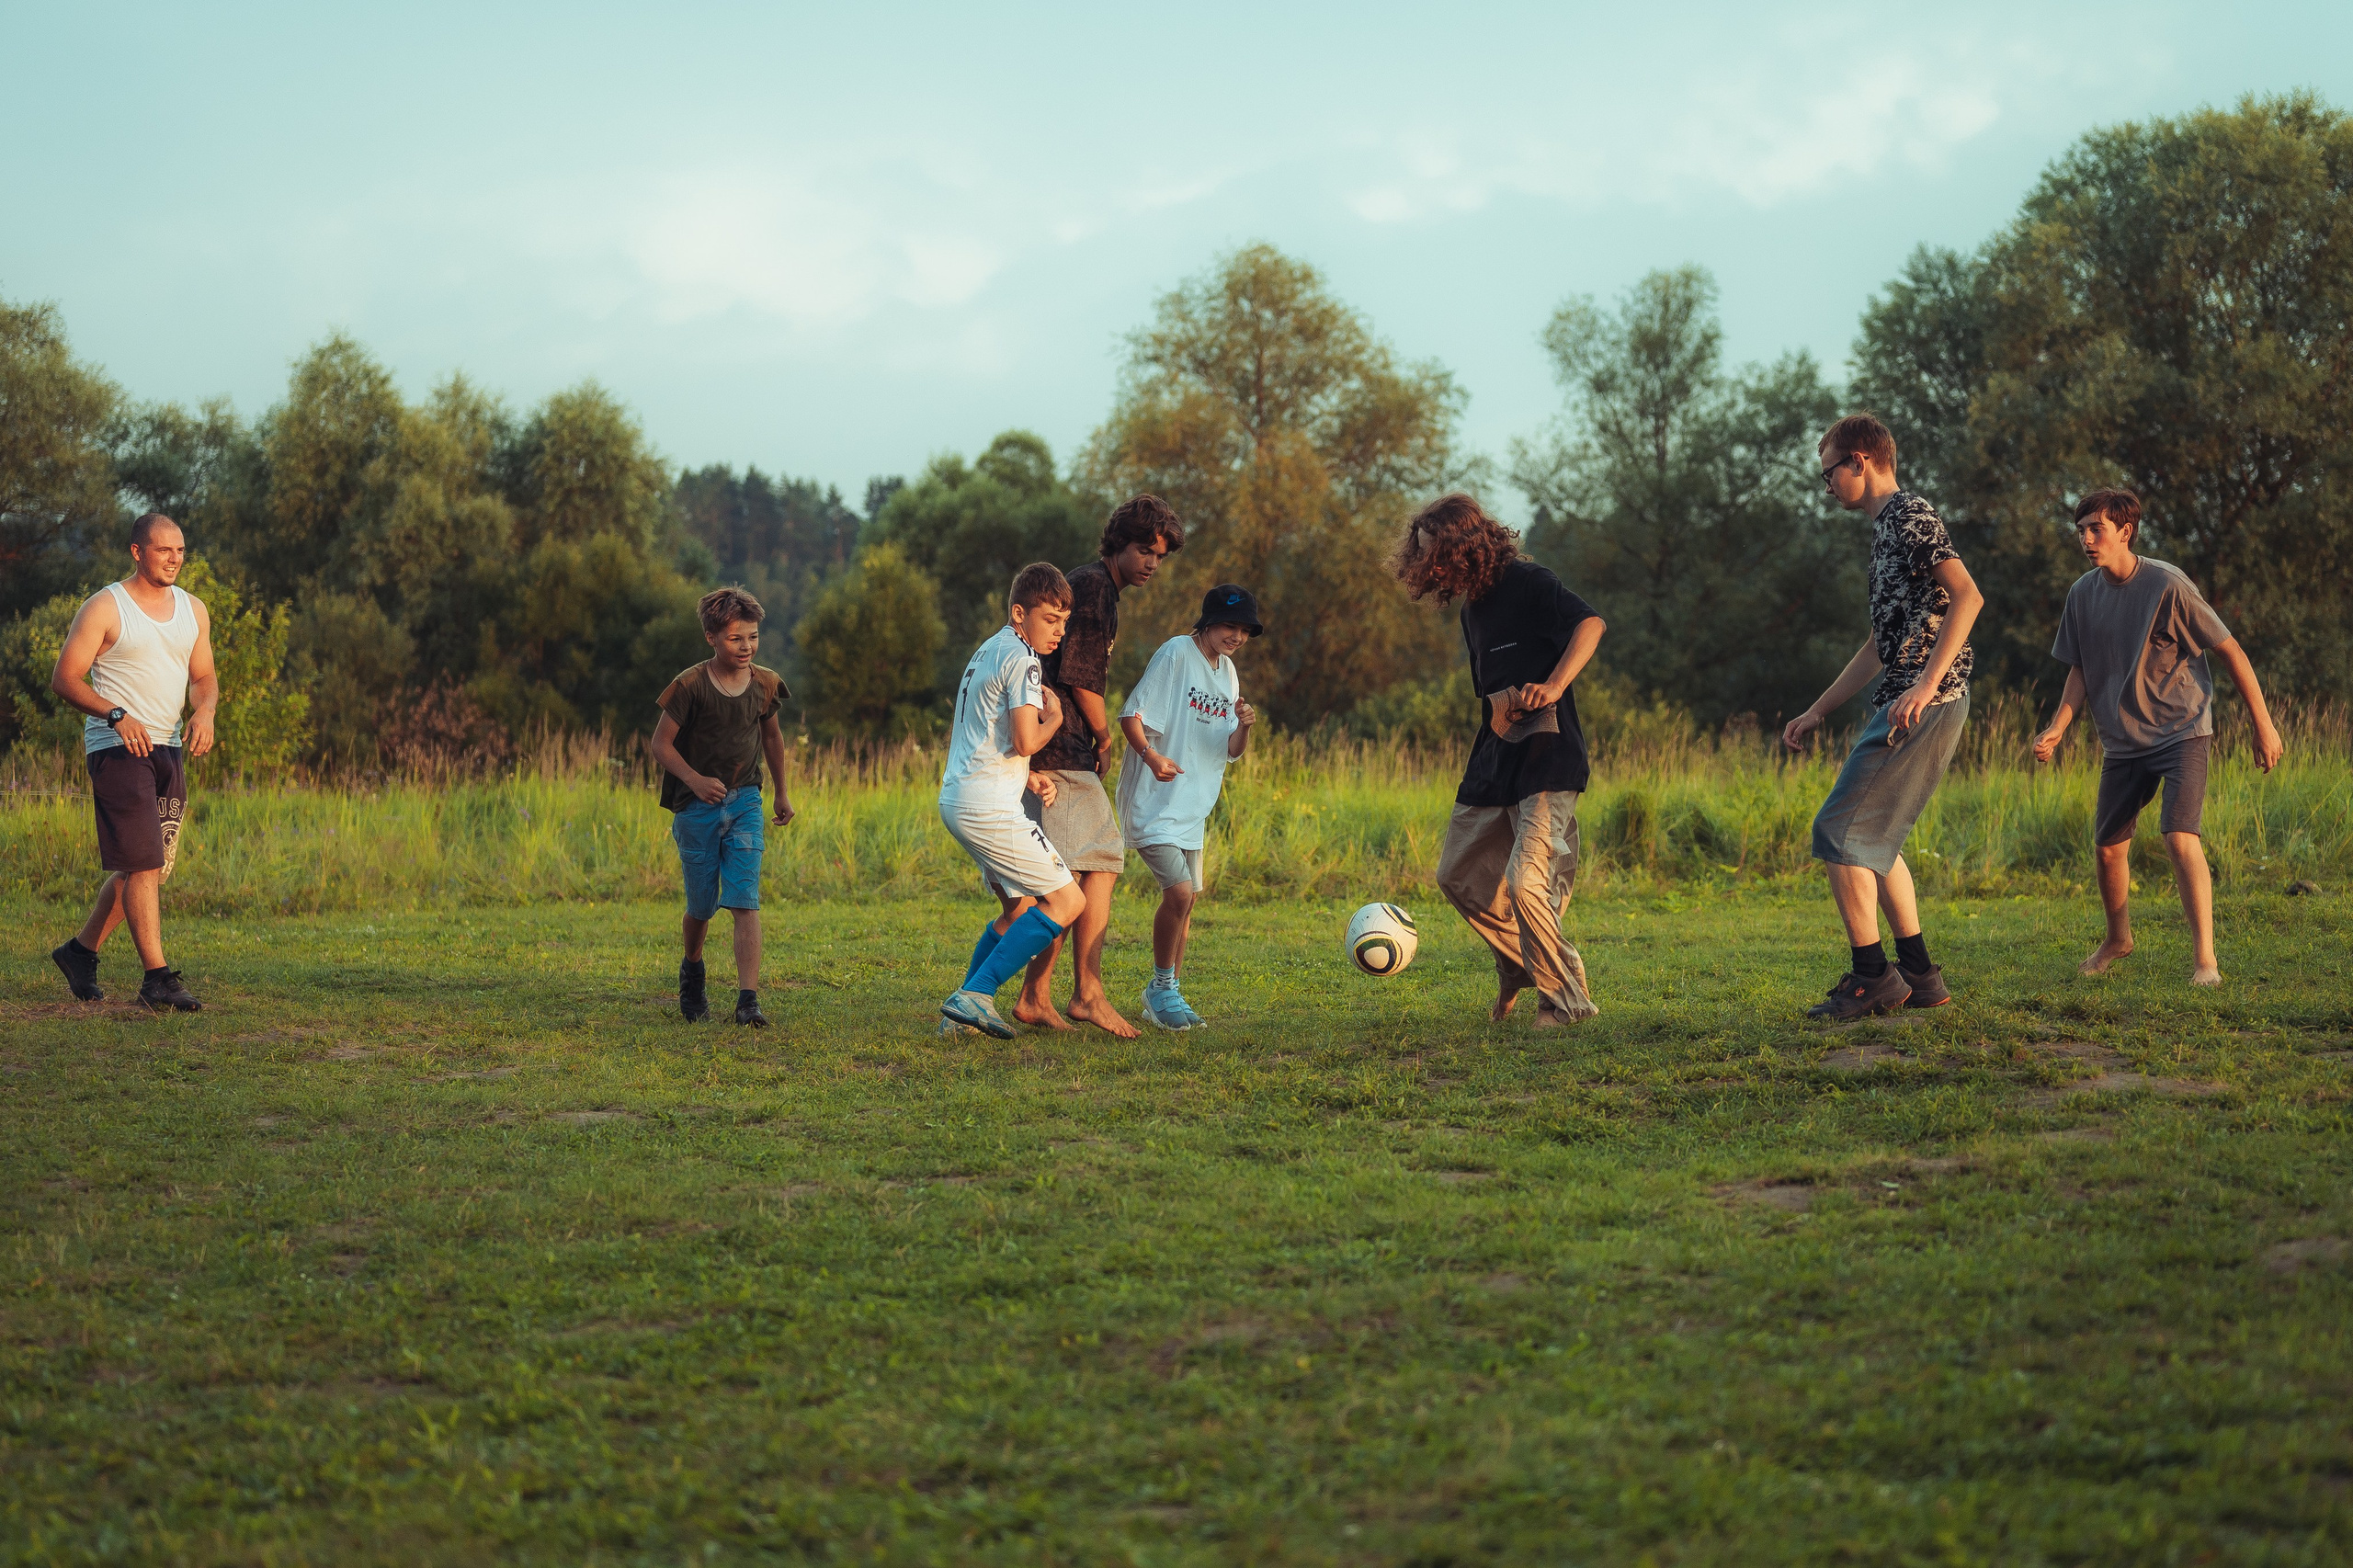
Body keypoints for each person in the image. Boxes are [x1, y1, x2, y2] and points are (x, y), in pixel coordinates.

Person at [2031, 489, 2283, 984]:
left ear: (2125, 532)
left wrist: (2263, 723)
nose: (2085, 538)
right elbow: (2080, 669)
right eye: (2080, 529)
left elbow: (2230, 650)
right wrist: (2058, 728)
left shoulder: (2167, 585)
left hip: (2181, 730)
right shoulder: (2082, 594)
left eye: (2095, 529)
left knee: (2179, 836)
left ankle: (2205, 961)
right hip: (2122, 740)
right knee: (2108, 848)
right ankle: (2117, 939)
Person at [1783, 414, 1984, 1020]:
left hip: (1924, 702)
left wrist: (1925, 685)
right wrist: (1818, 710)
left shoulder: (1911, 514)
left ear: (1859, 461)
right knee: (1874, 840)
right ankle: (1920, 975)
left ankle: (1873, 976)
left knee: (1838, 833)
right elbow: (1879, 644)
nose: (1827, 489)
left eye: (1828, 475)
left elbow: (1968, 596)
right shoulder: (1886, 531)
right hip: (1902, 699)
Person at [1392, 494, 1607, 1028]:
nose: (1428, 567)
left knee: (1528, 882)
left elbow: (1591, 624)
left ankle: (1564, 1003)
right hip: (1495, 751)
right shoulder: (1472, 609)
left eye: (1435, 553)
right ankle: (1520, 961)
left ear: (1463, 546)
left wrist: (1554, 685)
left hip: (1549, 754)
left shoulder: (1529, 582)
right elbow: (1491, 690)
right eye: (1422, 556)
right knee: (1456, 873)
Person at [1013, 494, 1184, 1038]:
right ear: (1118, 544)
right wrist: (1107, 736)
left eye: (1160, 555)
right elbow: (1082, 678)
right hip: (1059, 750)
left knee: (1085, 868)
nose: (1152, 563)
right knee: (1085, 869)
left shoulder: (1099, 586)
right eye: (1143, 550)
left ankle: (1042, 995)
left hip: (1060, 748)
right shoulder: (1092, 589)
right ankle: (1077, 993)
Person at [46, 513, 218, 1012]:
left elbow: (203, 676)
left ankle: (80, 952)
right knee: (142, 864)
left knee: (150, 867)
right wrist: (115, 714)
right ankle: (157, 980)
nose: (174, 559)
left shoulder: (194, 609)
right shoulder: (105, 606)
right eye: (164, 550)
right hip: (117, 747)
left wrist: (205, 709)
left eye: (181, 551)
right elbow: (66, 679)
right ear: (137, 552)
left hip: (168, 746)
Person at [936, 563, 1089, 1040]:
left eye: (1065, 621)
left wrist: (1027, 778)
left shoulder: (988, 649)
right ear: (1019, 613)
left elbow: (986, 736)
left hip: (962, 798)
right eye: (1050, 619)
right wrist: (1057, 718)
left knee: (1018, 907)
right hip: (987, 808)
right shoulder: (1023, 659)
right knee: (1068, 901)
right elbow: (1025, 739)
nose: (1059, 631)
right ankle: (976, 995)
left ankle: (957, 1021)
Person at [649, 586, 797, 1028]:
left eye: (752, 637)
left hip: (746, 801)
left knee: (744, 900)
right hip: (695, 809)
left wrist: (781, 792)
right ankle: (692, 968)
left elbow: (772, 737)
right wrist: (694, 781)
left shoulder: (764, 684)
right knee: (700, 906)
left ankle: (747, 1000)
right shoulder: (689, 686)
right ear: (711, 637)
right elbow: (660, 744)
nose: (747, 647)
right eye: (736, 639)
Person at [1117, 584, 1262, 1029]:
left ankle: (1169, 993)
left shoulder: (1229, 672)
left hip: (1193, 807)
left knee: (1189, 902)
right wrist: (1151, 756)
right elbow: (1131, 715)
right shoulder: (1177, 653)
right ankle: (1160, 988)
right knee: (1178, 894)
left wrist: (1244, 727)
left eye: (1243, 630)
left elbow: (1230, 749)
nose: (1236, 636)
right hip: (1154, 801)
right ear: (1207, 622)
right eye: (1228, 626)